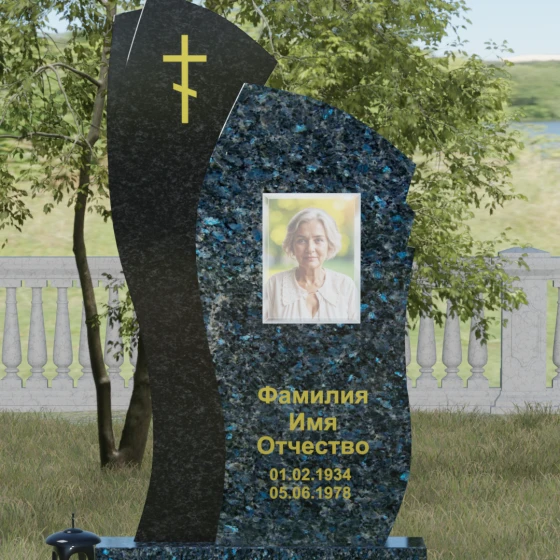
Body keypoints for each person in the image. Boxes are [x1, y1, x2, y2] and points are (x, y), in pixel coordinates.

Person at [264, 207, 359, 323]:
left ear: (329, 244)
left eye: (318, 240)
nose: (310, 248)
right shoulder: (274, 285)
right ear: (292, 245)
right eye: (301, 240)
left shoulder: (346, 286)